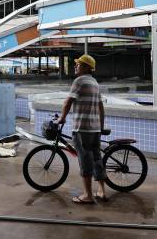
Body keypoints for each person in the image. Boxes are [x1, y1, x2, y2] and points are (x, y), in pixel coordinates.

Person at [55, 54, 107, 204]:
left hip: (82, 128)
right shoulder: (95, 83)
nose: (76, 66)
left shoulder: (79, 81)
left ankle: (88, 195)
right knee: (97, 158)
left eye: (78, 64)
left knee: (85, 160)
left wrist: (62, 118)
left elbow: (68, 102)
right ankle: (102, 191)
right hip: (95, 128)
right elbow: (101, 107)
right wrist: (101, 126)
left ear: (86, 67)